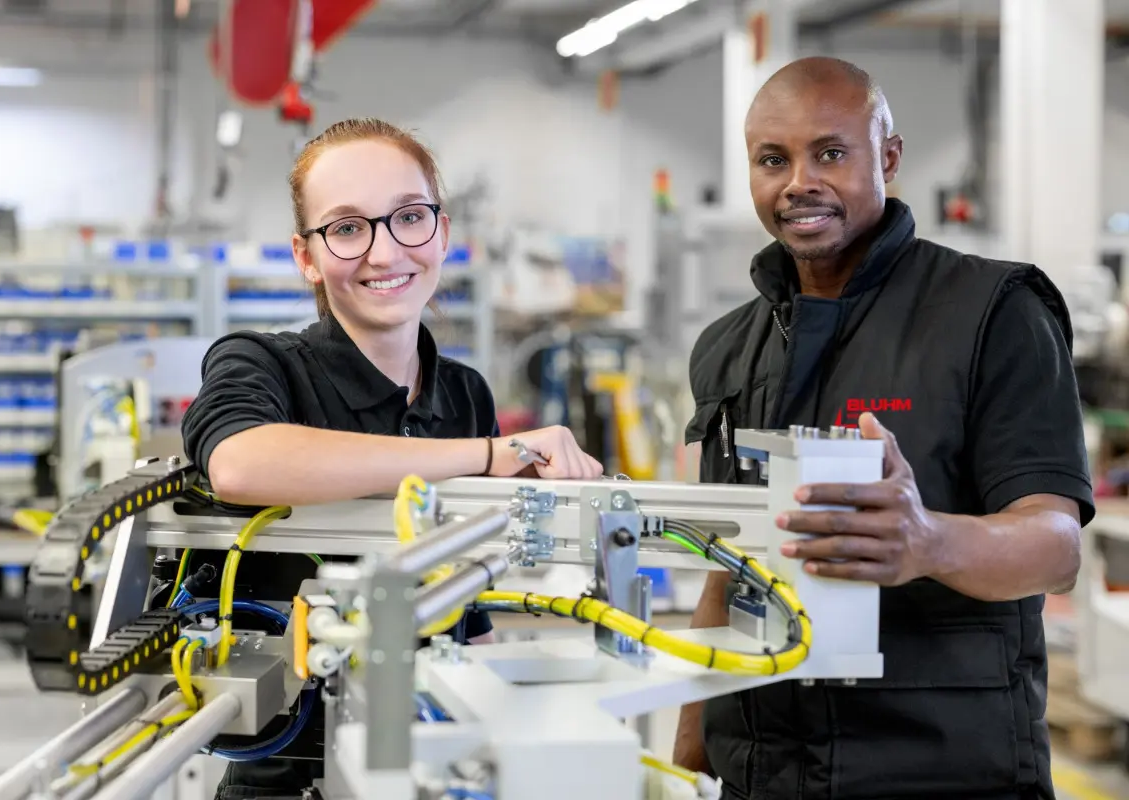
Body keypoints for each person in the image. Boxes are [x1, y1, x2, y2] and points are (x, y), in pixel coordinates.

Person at [672, 57, 1092, 800]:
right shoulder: (728, 345)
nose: (799, 180)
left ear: (888, 158)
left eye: (830, 152)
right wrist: (689, 739)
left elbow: (1054, 548)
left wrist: (929, 541)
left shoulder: (992, 313)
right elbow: (725, 556)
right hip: (764, 772)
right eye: (773, 159)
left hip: (938, 769)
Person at [180, 117, 603, 799]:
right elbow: (238, 461)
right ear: (306, 256)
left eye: (409, 217)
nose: (384, 252)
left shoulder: (463, 392)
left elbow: (470, 601)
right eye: (347, 228)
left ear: (441, 231)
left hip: (435, 761)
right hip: (289, 775)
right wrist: (489, 455)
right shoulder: (262, 364)